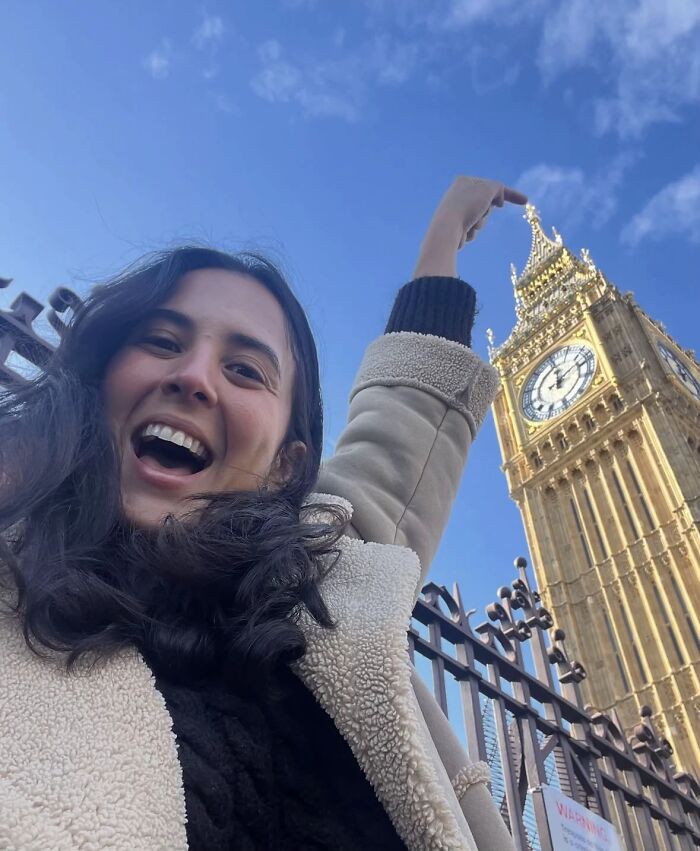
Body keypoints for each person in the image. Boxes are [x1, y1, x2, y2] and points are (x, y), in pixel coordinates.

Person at [0, 176, 526, 850]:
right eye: (162, 340)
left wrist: (444, 236)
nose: (195, 376)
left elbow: (401, 436)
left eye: (246, 369)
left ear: (285, 463)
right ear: (100, 380)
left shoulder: (319, 577)